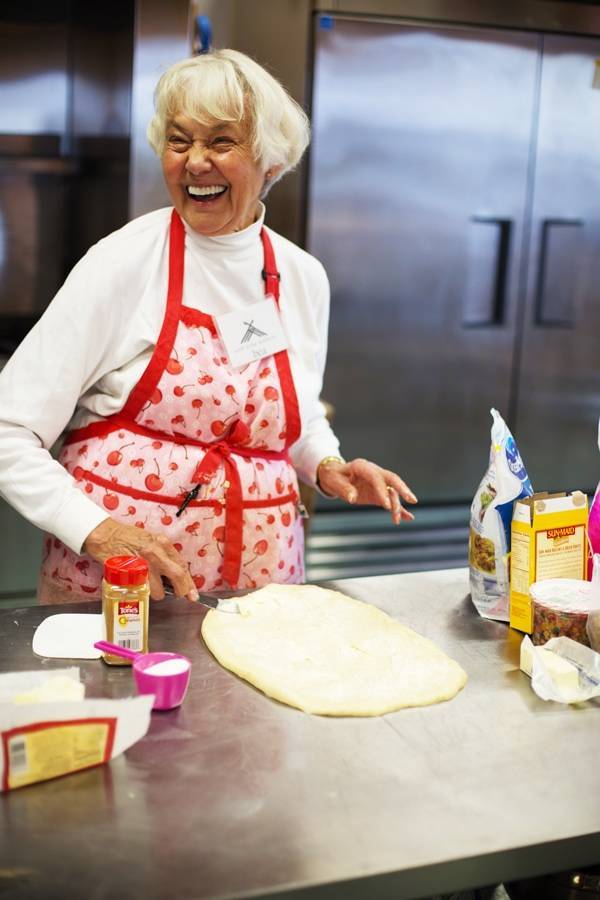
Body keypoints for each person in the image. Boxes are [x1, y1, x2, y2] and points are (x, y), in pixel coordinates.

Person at [0, 49, 417, 605]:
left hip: (260, 595)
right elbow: (8, 430)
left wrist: (327, 463)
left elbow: (296, 412)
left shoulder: (301, 276)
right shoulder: (122, 263)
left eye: (221, 142)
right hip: (121, 593)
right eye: (179, 141)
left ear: (271, 161)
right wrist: (101, 533)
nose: (196, 162)